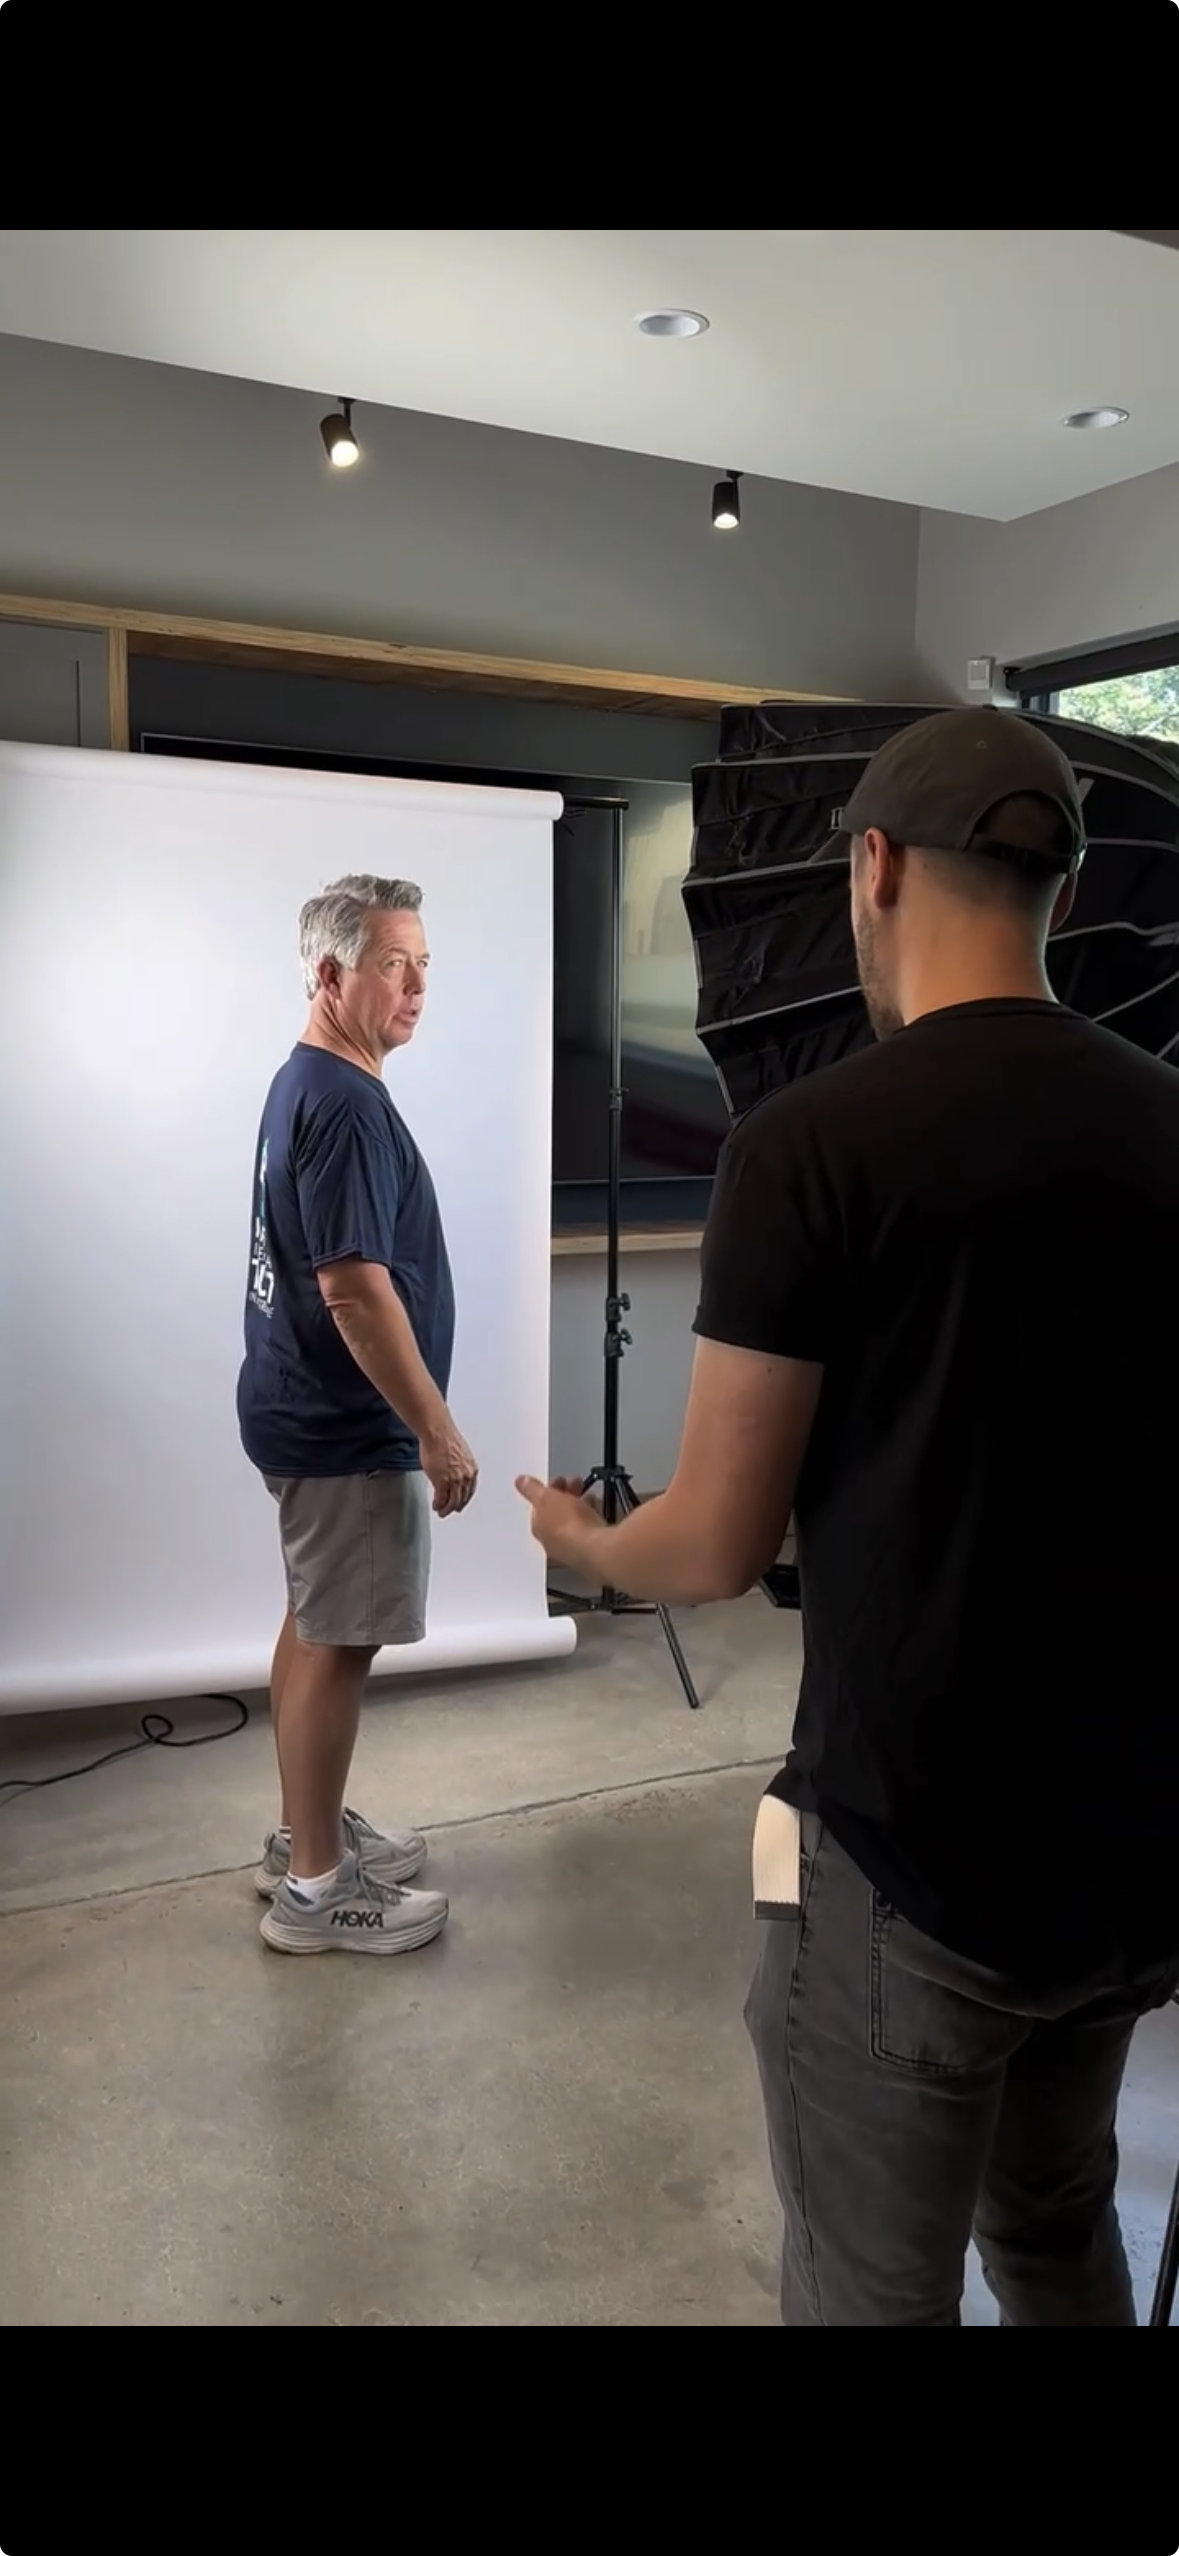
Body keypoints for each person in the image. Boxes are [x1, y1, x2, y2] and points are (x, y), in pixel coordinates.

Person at [518, 708, 1179, 2326]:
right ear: (1064, 894)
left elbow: (714, 1544)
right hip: (1132, 1842)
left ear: (869, 868)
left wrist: (585, 1544)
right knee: (1049, 2225)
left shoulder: (806, 1149)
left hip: (913, 1847)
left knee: (868, 2287)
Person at [238, 873, 477, 1958]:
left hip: (301, 1408)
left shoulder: (312, 1082)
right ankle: (319, 1894)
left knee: (314, 1619)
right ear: (332, 974)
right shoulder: (340, 1104)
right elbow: (352, 1287)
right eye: (394, 963)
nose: (419, 985)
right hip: (342, 1425)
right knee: (339, 1639)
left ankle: (306, 1834)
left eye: (425, 962)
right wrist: (435, 1426)